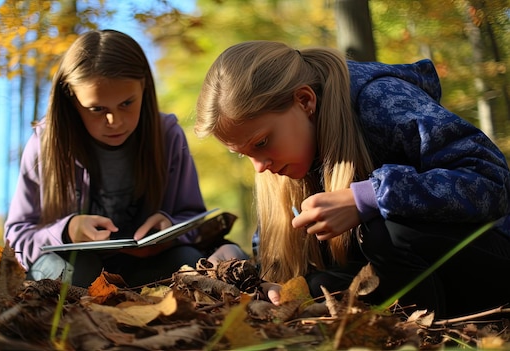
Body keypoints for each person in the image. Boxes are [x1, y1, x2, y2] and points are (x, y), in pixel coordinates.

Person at [194, 40, 510, 318]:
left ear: (304, 101)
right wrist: (244, 266)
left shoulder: (380, 98)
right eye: (244, 154)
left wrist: (369, 198)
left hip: (488, 261)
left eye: (261, 143)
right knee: (315, 287)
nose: (259, 167)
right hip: (416, 281)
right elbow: (276, 260)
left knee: (387, 232)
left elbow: (492, 182)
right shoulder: (286, 162)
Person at [4, 29, 246, 288]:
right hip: (74, 272)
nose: (115, 121)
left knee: (188, 261)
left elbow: (194, 220)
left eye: (127, 103)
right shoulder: (46, 144)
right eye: (97, 109)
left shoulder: (167, 136)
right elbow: (17, 238)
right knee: (76, 271)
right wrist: (67, 230)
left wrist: (169, 226)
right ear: (71, 100)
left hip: (147, 268)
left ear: (144, 87)